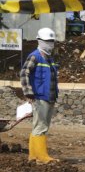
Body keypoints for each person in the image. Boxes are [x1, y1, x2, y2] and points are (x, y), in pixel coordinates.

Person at [20, 26, 59, 164]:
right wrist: (28, 92)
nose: (50, 44)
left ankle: (33, 156)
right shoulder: (34, 56)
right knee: (41, 127)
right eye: (47, 41)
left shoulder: (50, 59)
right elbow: (24, 73)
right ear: (40, 41)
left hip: (49, 97)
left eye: (52, 41)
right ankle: (42, 157)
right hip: (40, 97)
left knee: (39, 127)